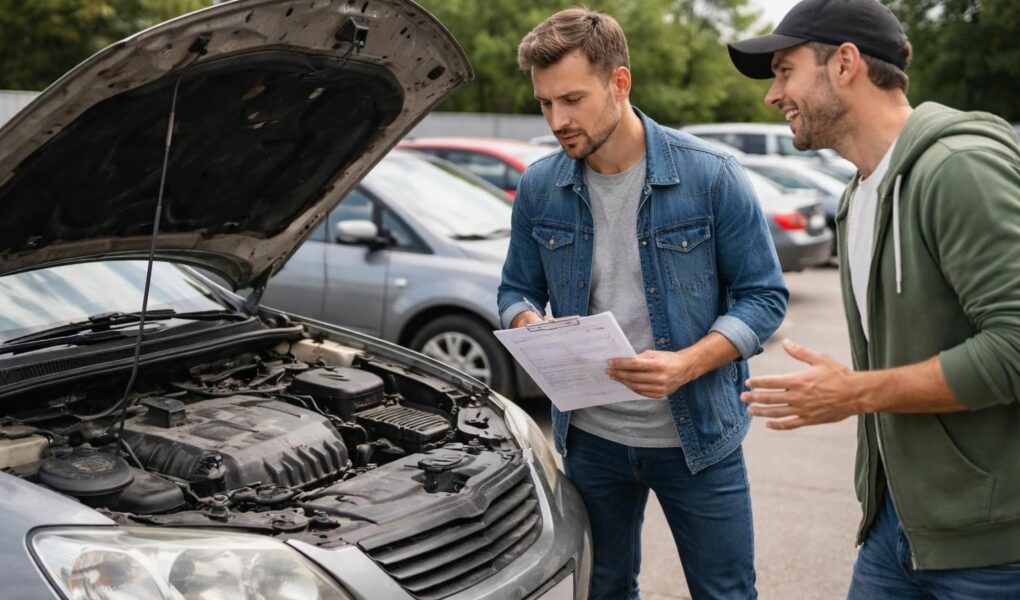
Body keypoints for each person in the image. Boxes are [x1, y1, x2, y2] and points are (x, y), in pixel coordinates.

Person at [728, 0, 1020, 597]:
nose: (773, 95)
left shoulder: (957, 168)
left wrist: (855, 392)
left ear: (845, 63)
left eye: (784, 71)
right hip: (895, 526)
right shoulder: (857, 197)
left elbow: (1014, 344)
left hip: (992, 546)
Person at [498, 8, 788, 599]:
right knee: (602, 590)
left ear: (620, 83)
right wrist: (528, 323)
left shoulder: (712, 176)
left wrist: (688, 363)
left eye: (572, 99)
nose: (557, 120)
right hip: (591, 441)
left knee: (725, 593)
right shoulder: (539, 186)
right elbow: (514, 290)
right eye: (545, 103)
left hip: (698, 440)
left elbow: (764, 296)